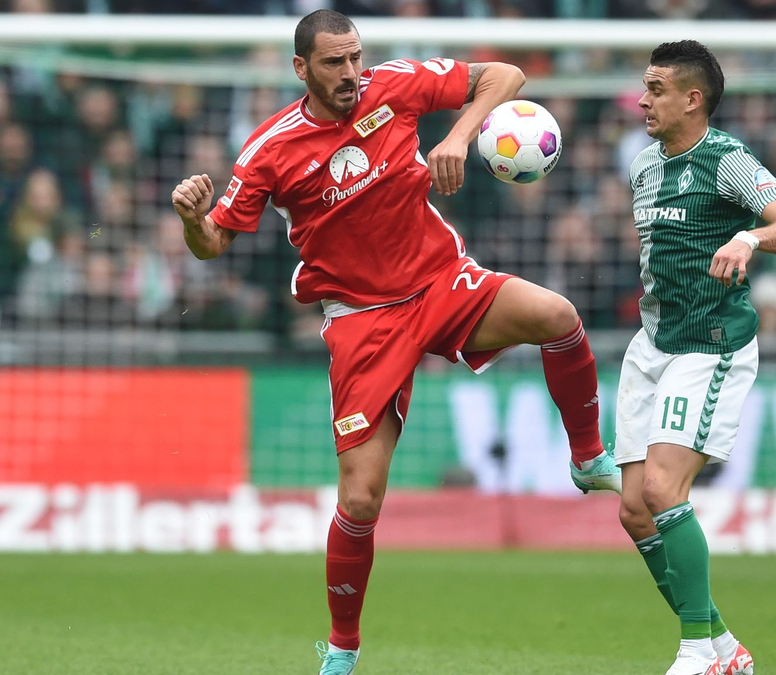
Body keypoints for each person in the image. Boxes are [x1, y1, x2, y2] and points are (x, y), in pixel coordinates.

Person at [168, 10, 622, 675]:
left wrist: (461, 135)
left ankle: (587, 456)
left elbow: (507, 75)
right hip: (362, 319)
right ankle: (343, 646)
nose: (351, 72)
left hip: (441, 281)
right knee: (360, 499)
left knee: (557, 315)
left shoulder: (396, 85)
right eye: (334, 62)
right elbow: (213, 244)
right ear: (301, 69)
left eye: (356, 57)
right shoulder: (269, 149)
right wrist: (190, 220)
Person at [618, 40, 776, 675]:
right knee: (632, 509)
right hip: (652, 343)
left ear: (692, 99)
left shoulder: (725, 158)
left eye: (656, 88)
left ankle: (696, 652)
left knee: (661, 487)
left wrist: (749, 235)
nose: (644, 100)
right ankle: (724, 646)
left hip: (712, 346)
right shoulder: (644, 166)